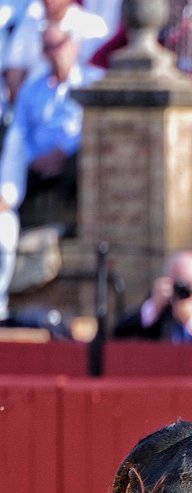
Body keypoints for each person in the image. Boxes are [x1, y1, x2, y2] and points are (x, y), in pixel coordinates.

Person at [0, 23, 99, 321]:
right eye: (47, 47)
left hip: (75, 170)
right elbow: (19, 135)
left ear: (75, 44)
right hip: (34, 172)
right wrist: (36, 159)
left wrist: (66, 151)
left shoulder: (94, 83)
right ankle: (6, 196)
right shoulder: (33, 90)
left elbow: (99, 129)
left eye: (59, 44)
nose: (54, 53)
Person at [2, 0, 110, 106]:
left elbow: (99, 77)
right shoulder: (28, 25)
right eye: (48, 48)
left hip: (78, 107)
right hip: (33, 109)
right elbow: (14, 79)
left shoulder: (93, 25)